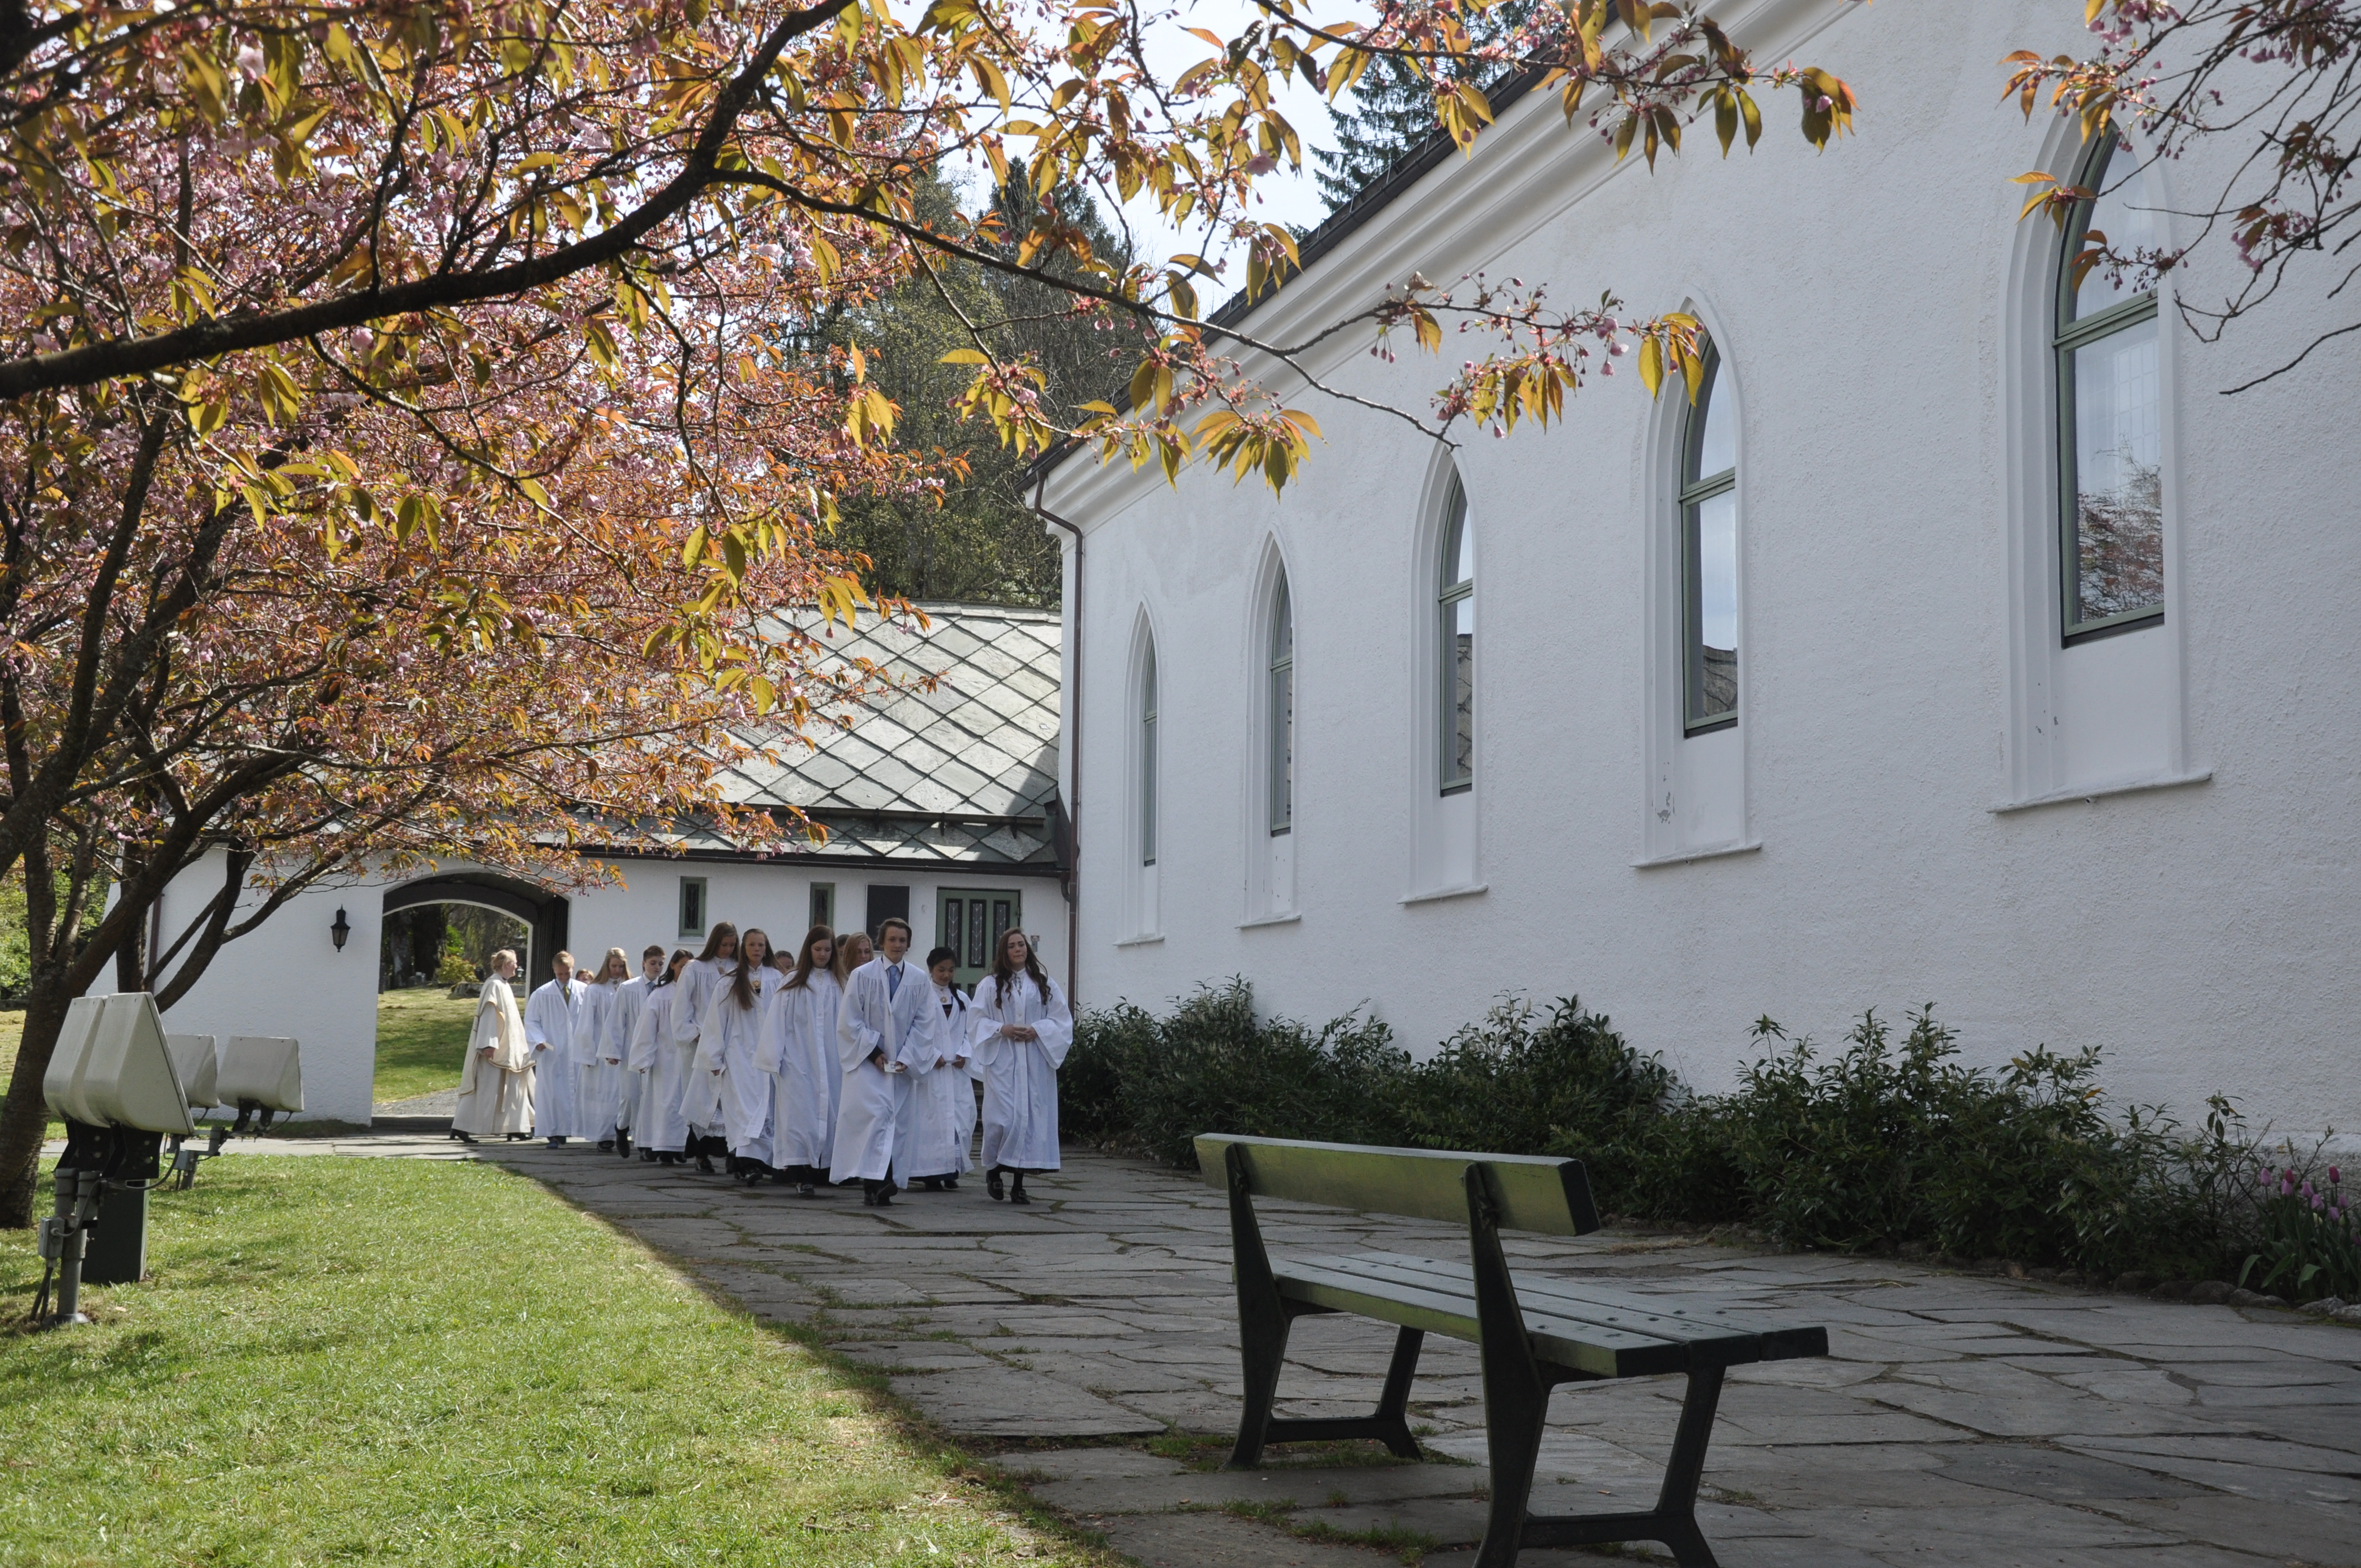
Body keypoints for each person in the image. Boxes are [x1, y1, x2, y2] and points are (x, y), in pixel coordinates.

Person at [830, 917, 937, 1206]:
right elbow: (849, 1020)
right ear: (882, 942)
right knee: (873, 1120)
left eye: (902, 940)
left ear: (909, 944)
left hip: (900, 1066)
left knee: (896, 1123)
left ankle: (882, 1183)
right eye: (892, 940)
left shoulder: (917, 979)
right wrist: (874, 1053)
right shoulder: (862, 976)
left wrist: (907, 1056)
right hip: (868, 1064)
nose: (897, 945)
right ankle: (874, 1182)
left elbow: (925, 1023)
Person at [969, 929, 1073, 1204]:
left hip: (1034, 1061)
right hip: (1004, 1061)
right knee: (1003, 1120)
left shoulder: (1043, 983)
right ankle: (993, 1170)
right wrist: (1002, 1028)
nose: (1019, 949)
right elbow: (976, 1022)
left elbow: (1062, 1021)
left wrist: (1038, 1030)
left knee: (1027, 1121)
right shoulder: (990, 985)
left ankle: (1018, 1183)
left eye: (1022, 945)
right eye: (1013, 946)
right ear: (1004, 952)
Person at [760, 924, 842, 1197]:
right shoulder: (793, 982)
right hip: (798, 1061)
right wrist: (775, 1058)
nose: (822, 955)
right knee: (800, 1119)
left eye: (828, 950)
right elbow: (776, 1021)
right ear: (809, 950)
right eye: (818, 949)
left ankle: (823, 1171)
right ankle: (800, 1175)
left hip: (831, 1062)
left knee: (828, 1116)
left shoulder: (839, 983)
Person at [699, 925, 778, 1182]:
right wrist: (713, 1057)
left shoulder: (777, 978)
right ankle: (745, 1163)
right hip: (739, 1056)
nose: (757, 950)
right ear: (744, 949)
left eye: (761, 946)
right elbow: (715, 1021)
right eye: (753, 945)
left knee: (765, 1110)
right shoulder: (730, 981)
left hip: (767, 1057)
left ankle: (759, 1162)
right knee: (742, 1110)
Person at [906, 946, 973, 1191]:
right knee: (931, 1122)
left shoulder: (962, 1000)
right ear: (931, 969)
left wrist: (964, 1053)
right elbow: (913, 1031)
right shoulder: (922, 996)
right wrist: (932, 1056)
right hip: (930, 1073)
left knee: (960, 1120)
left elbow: (970, 1031)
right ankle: (931, 1173)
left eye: (951, 970)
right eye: (941, 970)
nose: (946, 975)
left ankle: (951, 1169)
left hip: (955, 1072)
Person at [674, 922, 738, 1173]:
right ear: (714, 943)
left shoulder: (738, 969)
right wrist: (696, 1035)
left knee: (733, 1102)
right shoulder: (695, 969)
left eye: (732, 946)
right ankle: (701, 1156)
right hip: (701, 1045)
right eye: (724, 945)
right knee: (704, 1103)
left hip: (732, 1045)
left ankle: (735, 1155)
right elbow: (681, 1008)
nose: (728, 950)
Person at [453, 950, 533, 1143]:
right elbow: (490, 1014)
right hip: (495, 1050)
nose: (517, 966)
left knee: (515, 1088)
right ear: (506, 965)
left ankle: (516, 1127)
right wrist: (490, 1044)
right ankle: (461, 1126)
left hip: (511, 1048)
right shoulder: (494, 985)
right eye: (515, 963)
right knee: (485, 1089)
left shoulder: (503, 984)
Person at [630, 948, 694, 1163]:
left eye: (689, 967)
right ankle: (663, 1147)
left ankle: (682, 1147)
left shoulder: (695, 994)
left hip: (689, 1057)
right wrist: (643, 1058)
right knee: (665, 1103)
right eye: (682, 966)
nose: (685, 971)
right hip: (665, 1058)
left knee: (685, 1102)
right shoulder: (661, 995)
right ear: (674, 966)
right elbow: (646, 1028)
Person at [607, 945, 666, 1158]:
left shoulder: (665, 988)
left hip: (658, 1052)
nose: (657, 968)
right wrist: (612, 1049)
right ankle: (621, 1129)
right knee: (630, 1096)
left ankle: (646, 1144)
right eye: (653, 963)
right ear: (644, 963)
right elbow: (616, 1021)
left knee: (652, 1098)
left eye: (661, 964)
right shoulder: (628, 988)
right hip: (631, 1050)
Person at [525, 950, 587, 1147]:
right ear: (554, 971)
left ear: (573, 968)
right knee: (553, 1093)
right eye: (560, 974)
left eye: (567, 973)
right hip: (552, 1051)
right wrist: (539, 1040)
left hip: (576, 1049)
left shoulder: (584, 991)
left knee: (576, 1091)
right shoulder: (542, 994)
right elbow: (532, 1021)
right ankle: (554, 1133)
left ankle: (573, 1129)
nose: (564, 978)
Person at [575, 948, 630, 1150]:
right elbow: (585, 1024)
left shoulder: (629, 987)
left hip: (624, 1048)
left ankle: (623, 1130)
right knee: (604, 1093)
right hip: (600, 1048)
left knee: (622, 1093)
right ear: (607, 966)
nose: (617, 970)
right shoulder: (595, 990)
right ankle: (604, 1135)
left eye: (620, 966)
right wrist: (587, 1053)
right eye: (613, 966)